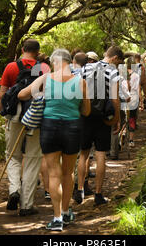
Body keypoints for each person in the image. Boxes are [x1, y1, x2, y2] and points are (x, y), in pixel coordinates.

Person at [18, 48, 91, 231]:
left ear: (55, 62)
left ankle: (57, 218)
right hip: (72, 128)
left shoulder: (45, 78)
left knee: (53, 173)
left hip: (49, 127)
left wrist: (41, 95)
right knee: (68, 173)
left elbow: (21, 95)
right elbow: (87, 111)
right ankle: (66, 213)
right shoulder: (80, 82)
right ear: (69, 62)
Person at [0, 38, 50, 216]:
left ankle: (14, 189)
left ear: (22, 49)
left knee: (12, 156)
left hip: (14, 115)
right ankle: (27, 205)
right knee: (32, 158)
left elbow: (1, 95)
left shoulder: (11, 67)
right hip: (36, 116)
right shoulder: (43, 68)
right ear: (37, 52)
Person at [75, 46, 123, 206]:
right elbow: (115, 100)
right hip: (103, 117)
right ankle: (98, 194)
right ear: (115, 58)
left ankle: (80, 190)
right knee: (101, 155)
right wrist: (116, 120)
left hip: (85, 116)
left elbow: (77, 91)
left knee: (83, 154)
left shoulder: (85, 67)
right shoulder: (113, 72)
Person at [122, 57, 140, 147]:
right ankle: (131, 140)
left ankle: (122, 135)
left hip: (124, 98)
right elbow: (137, 90)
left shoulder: (122, 74)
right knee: (132, 119)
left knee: (123, 119)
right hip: (133, 99)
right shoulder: (136, 76)